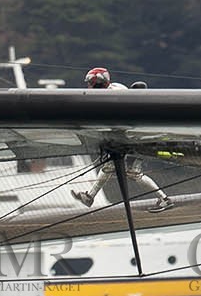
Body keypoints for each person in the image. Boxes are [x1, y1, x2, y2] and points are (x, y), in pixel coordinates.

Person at [73, 68, 172, 211]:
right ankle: (90, 197)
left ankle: (164, 199)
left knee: (133, 172)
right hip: (131, 139)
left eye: (91, 83)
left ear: (98, 83)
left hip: (138, 140)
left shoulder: (110, 95)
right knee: (108, 168)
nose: (89, 87)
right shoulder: (115, 89)